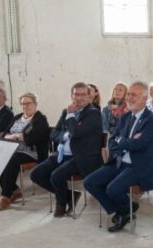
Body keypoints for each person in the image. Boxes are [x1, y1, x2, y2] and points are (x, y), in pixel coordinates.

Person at [84, 82, 153, 233]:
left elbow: (139, 145)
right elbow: (112, 141)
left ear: (144, 99)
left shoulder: (152, 120)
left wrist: (123, 141)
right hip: (121, 162)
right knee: (90, 182)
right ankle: (124, 210)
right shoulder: (125, 117)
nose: (129, 98)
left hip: (140, 166)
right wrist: (125, 142)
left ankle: (124, 212)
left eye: (134, 95)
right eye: (129, 94)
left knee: (113, 189)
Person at [29, 82, 103, 217]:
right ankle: (70, 195)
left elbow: (76, 132)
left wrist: (70, 115)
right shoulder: (65, 111)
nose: (79, 98)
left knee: (56, 176)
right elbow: (53, 133)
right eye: (76, 94)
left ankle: (61, 204)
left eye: (83, 95)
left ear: (89, 97)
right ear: (71, 96)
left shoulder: (94, 113)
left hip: (81, 157)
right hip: (62, 154)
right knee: (35, 174)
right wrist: (64, 136)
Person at [0, 93, 50, 211]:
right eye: (23, 103)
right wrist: (13, 136)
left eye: (28, 103)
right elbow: (4, 133)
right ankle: (14, 190)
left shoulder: (40, 119)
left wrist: (18, 136)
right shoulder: (17, 117)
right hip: (12, 149)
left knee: (11, 161)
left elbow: (34, 138)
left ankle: (5, 197)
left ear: (35, 104)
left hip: (32, 153)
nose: (25, 106)